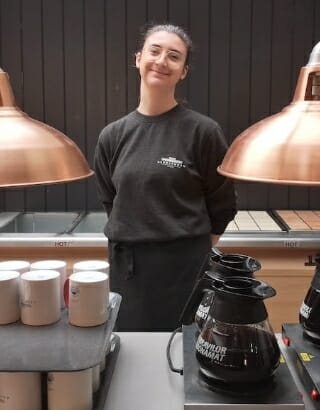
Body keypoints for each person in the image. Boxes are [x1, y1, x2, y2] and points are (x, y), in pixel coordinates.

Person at [94, 23, 237, 331]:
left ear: (183, 71)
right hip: (128, 272)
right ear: (138, 59)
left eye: (174, 56)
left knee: (183, 357)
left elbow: (222, 203)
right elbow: (110, 199)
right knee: (132, 357)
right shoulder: (112, 135)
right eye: (154, 51)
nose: (161, 61)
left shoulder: (203, 132)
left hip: (186, 271)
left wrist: (193, 253)